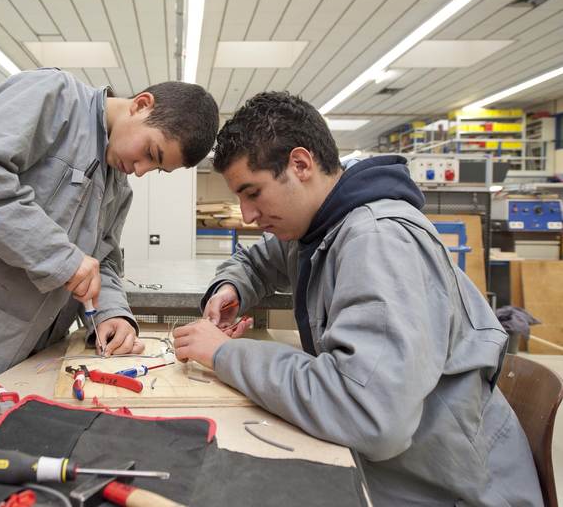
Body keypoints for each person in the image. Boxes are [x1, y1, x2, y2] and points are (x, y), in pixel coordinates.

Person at [173, 92, 542, 506]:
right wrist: (233, 288)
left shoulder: (378, 241)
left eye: (253, 193)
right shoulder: (317, 226)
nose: (247, 216)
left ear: (300, 164)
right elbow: (257, 261)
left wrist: (225, 354)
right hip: (407, 465)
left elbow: (367, 415)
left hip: (451, 488)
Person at [0, 68, 219, 439]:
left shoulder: (118, 186)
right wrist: (62, 257)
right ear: (141, 105)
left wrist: (113, 314)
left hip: (30, 351)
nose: (141, 171)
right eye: (149, 153)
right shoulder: (55, 98)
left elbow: (104, 259)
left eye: (156, 168)